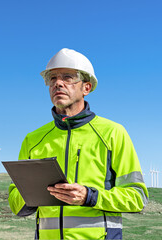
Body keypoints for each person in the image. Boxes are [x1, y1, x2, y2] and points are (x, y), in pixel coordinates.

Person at [8, 48, 148, 240]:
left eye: (68, 77)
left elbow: (137, 198)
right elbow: (15, 203)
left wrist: (89, 197)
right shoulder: (33, 139)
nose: (58, 83)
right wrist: (32, 195)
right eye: (52, 78)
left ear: (86, 88)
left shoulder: (113, 133)